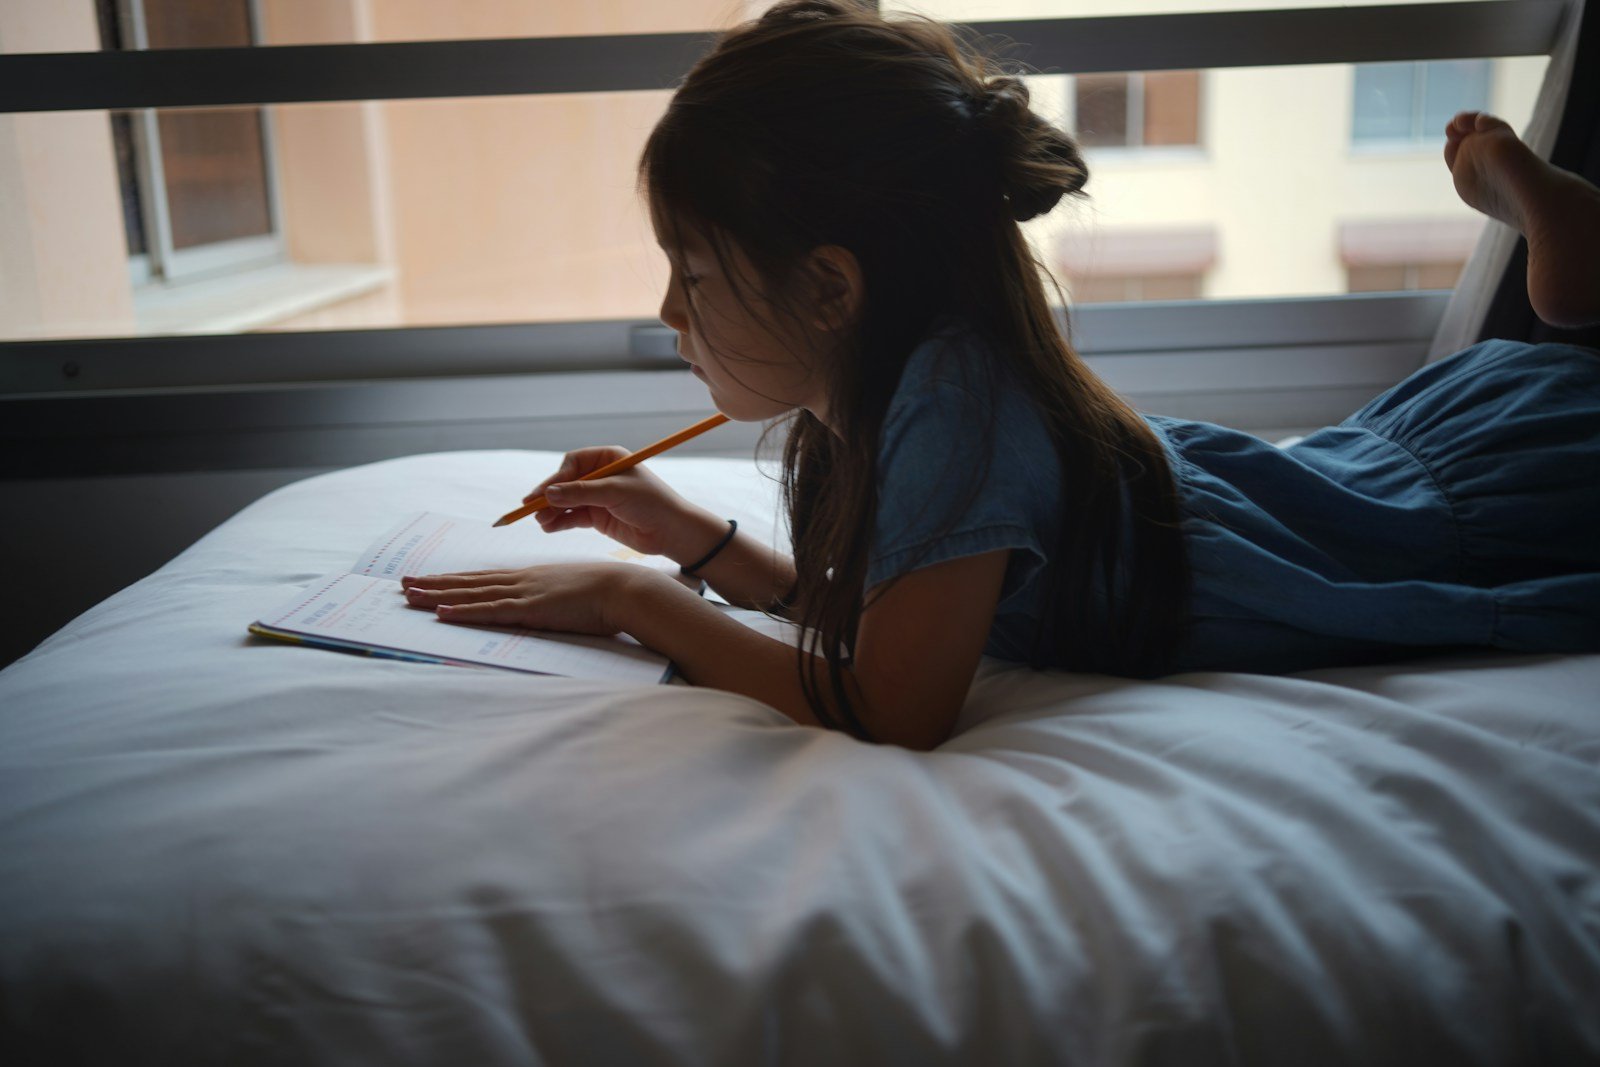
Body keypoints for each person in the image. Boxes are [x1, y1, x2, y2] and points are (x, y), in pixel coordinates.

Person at [402, 0, 1600, 750]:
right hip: (1359, 473)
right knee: (1565, 353)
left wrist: (635, 602)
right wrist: (687, 538)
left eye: (694, 273)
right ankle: (1565, 279)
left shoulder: (957, 402)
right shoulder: (895, 384)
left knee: (1577, 384)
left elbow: (895, 702)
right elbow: (887, 617)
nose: (668, 313)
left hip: (1434, 522)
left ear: (830, 288)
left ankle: (1569, 269)